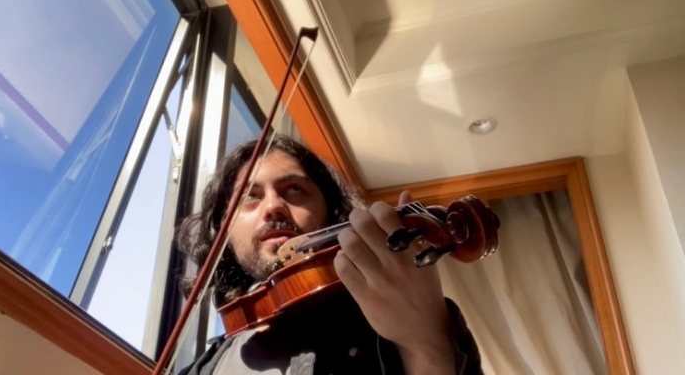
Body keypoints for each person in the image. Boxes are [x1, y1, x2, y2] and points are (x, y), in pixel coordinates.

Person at [176, 135, 481, 375]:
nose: (273, 206)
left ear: (333, 212)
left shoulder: (394, 312)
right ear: (225, 233)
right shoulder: (206, 367)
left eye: (294, 189)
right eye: (249, 197)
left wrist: (426, 340)